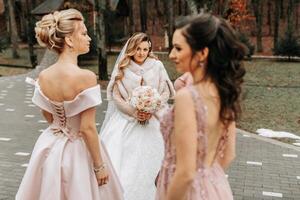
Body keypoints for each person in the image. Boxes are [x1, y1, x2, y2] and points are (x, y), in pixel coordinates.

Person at [16, 9, 123, 200]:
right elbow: (87, 128)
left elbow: (48, 117)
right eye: (83, 33)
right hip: (78, 151)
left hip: (50, 146)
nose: (89, 38)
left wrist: (61, 127)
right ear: (69, 40)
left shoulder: (44, 76)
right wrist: (99, 166)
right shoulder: (86, 77)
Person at [156, 13, 247, 200]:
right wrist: (206, 182)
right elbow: (229, 154)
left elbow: (186, 172)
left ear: (203, 53)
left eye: (178, 48)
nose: (172, 55)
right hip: (215, 185)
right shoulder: (224, 92)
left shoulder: (187, 97)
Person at [100, 32, 175, 200]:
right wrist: (134, 112)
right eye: (138, 49)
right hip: (128, 119)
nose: (142, 53)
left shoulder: (157, 65)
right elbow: (117, 96)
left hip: (154, 118)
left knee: (154, 162)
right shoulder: (123, 67)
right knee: (127, 162)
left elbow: (165, 91)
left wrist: (152, 107)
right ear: (131, 48)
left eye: (146, 49)